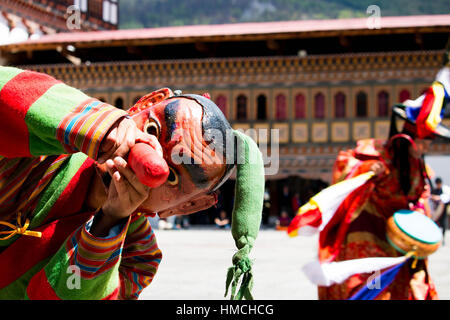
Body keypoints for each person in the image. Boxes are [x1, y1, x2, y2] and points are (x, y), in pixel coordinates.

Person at [0, 66, 265, 300]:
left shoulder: (138, 259)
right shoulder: (46, 133)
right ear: (145, 103)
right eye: (152, 130)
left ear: (187, 206)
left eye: (171, 177)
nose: (147, 159)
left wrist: (109, 222)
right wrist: (102, 124)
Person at [314, 63, 450, 300]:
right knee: (371, 290)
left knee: (407, 288)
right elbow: (344, 173)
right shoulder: (375, 152)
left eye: (430, 141)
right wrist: (368, 170)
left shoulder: (420, 168)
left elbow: (421, 199)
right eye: (424, 139)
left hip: (399, 240)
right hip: (367, 235)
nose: (427, 145)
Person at [431, 177, 450, 243]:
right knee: (436, 224)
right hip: (436, 210)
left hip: (443, 210)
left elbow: (446, 198)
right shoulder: (434, 190)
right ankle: (436, 238)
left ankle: (443, 238)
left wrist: (438, 198)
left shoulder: (445, 189)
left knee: (444, 224)